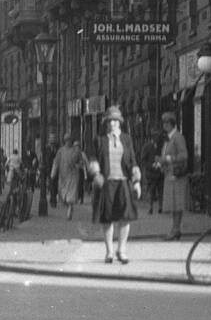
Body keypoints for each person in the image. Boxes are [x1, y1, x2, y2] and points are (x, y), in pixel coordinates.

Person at [88, 106, 142, 264]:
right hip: (106, 183)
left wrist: (137, 181)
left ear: (120, 122)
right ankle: (109, 251)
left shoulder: (126, 139)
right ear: (106, 122)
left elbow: (132, 160)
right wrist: (96, 174)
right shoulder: (100, 139)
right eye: (110, 120)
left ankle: (122, 250)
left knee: (125, 218)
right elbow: (92, 159)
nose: (112, 123)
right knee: (107, 218)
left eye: (115, 120)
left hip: (123, 182)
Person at [157, 112, 189, 239]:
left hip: (177, 175)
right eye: (163, 123)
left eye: (166, 123)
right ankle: (175, 229)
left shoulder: (178, 137)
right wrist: (160, 162)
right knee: (173, 204)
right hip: (169, 175)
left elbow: (184, 155)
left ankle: (175, 229)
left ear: (171, 124)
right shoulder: (169, 138)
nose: (164, 125)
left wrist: (168, 159)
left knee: (177, 204)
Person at [50, 135, 85, 220]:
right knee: (63, 193)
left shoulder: (76, 151)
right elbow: (56, 162)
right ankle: (68, 204)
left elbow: (81, 161)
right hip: (63, 175)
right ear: (64, 141)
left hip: (73, 175)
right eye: (67, 140)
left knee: (71, 194)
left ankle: (70, 208)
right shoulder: (61, 151)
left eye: (69, 140)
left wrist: (78, 165)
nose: (68, 142)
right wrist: (53, 173)